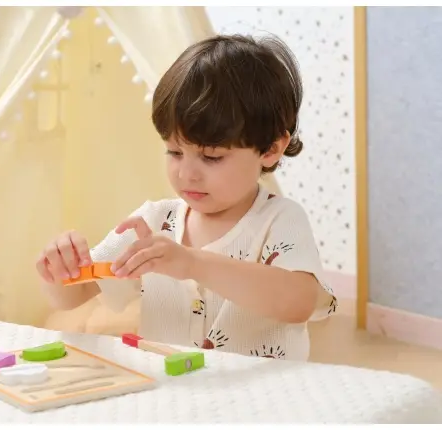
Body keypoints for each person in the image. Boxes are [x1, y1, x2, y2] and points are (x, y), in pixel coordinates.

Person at [36, 34, 337, 361]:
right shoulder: (153, 222)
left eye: (211, 157)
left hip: (260, 390)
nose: (186, 174)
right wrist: (59, 271)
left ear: (271, 149)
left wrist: (193, 263)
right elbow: (74, 295)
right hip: (175, 387)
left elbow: (298, 303)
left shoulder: (280, 220)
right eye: (175, 152)